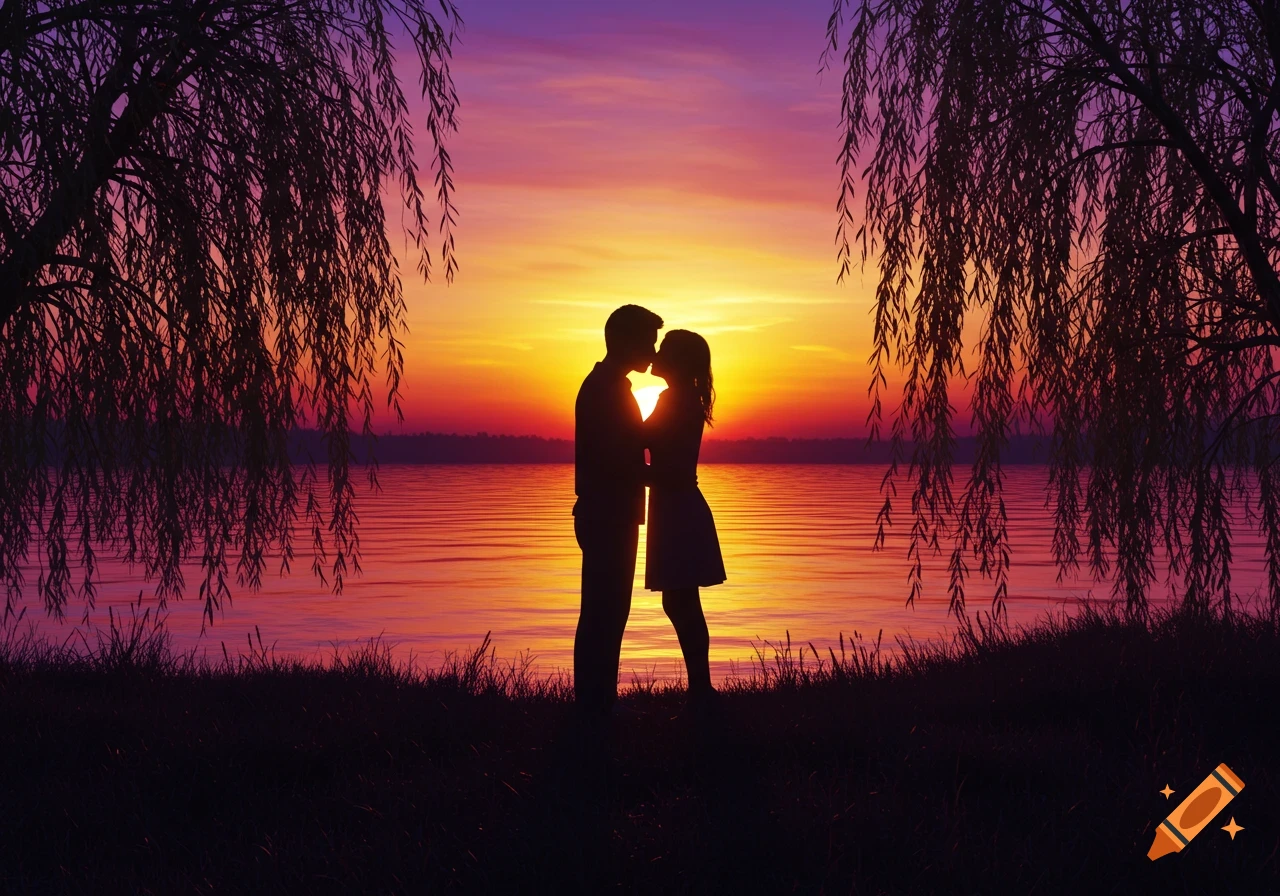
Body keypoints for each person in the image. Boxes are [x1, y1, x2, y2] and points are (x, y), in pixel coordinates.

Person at [572, 304, 663, 716]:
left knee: (607, 608)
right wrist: (662, 476)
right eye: (649, 340)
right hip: (608, 512)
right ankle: (596, 702)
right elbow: (618, 457)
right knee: (604, 610)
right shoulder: (606, 389)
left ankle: (596, 698)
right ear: (625, 341)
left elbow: (626, 451)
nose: (654, 348)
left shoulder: (609, 386)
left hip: (610, 510)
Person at [643, 329, 726, 706]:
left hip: (676, 505)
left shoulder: (675, 401)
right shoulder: (679, 399)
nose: (655, 353)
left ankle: (701, 688)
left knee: (682, 601)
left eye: (664, 349)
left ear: (677, 360)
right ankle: (700, 687)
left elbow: (647, 449)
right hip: (673, 503)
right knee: (679, 600)